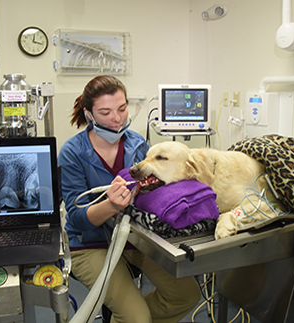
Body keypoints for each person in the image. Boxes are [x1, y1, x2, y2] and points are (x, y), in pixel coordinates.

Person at [58, 75, 201, 323]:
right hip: (90, 244)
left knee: (186, 295)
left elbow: (153, 192)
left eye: (122, 108)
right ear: (89, 114)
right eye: (105, 112)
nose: (117, 118)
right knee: (136, 317)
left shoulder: (137, 144)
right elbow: (79, 218)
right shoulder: (72, 152)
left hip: (135, 238)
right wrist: (111, 205)